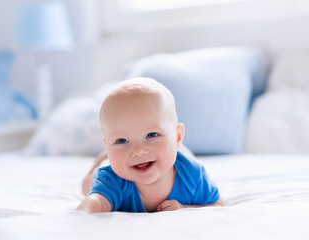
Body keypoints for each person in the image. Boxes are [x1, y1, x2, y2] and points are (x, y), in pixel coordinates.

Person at [76, 78, 224, 213]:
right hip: (110, 166)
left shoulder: (192, 175)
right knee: (87, 185)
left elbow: (217, 204)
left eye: (152, 135)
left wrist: (184, 207)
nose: (138, 150)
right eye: (121, 140)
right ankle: (102, 157)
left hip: (180, 156)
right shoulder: (112, 179)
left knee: (181, 155)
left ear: (178, 136)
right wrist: (82, 215)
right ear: (108, 146)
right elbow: (96, 202)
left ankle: (177, 146)